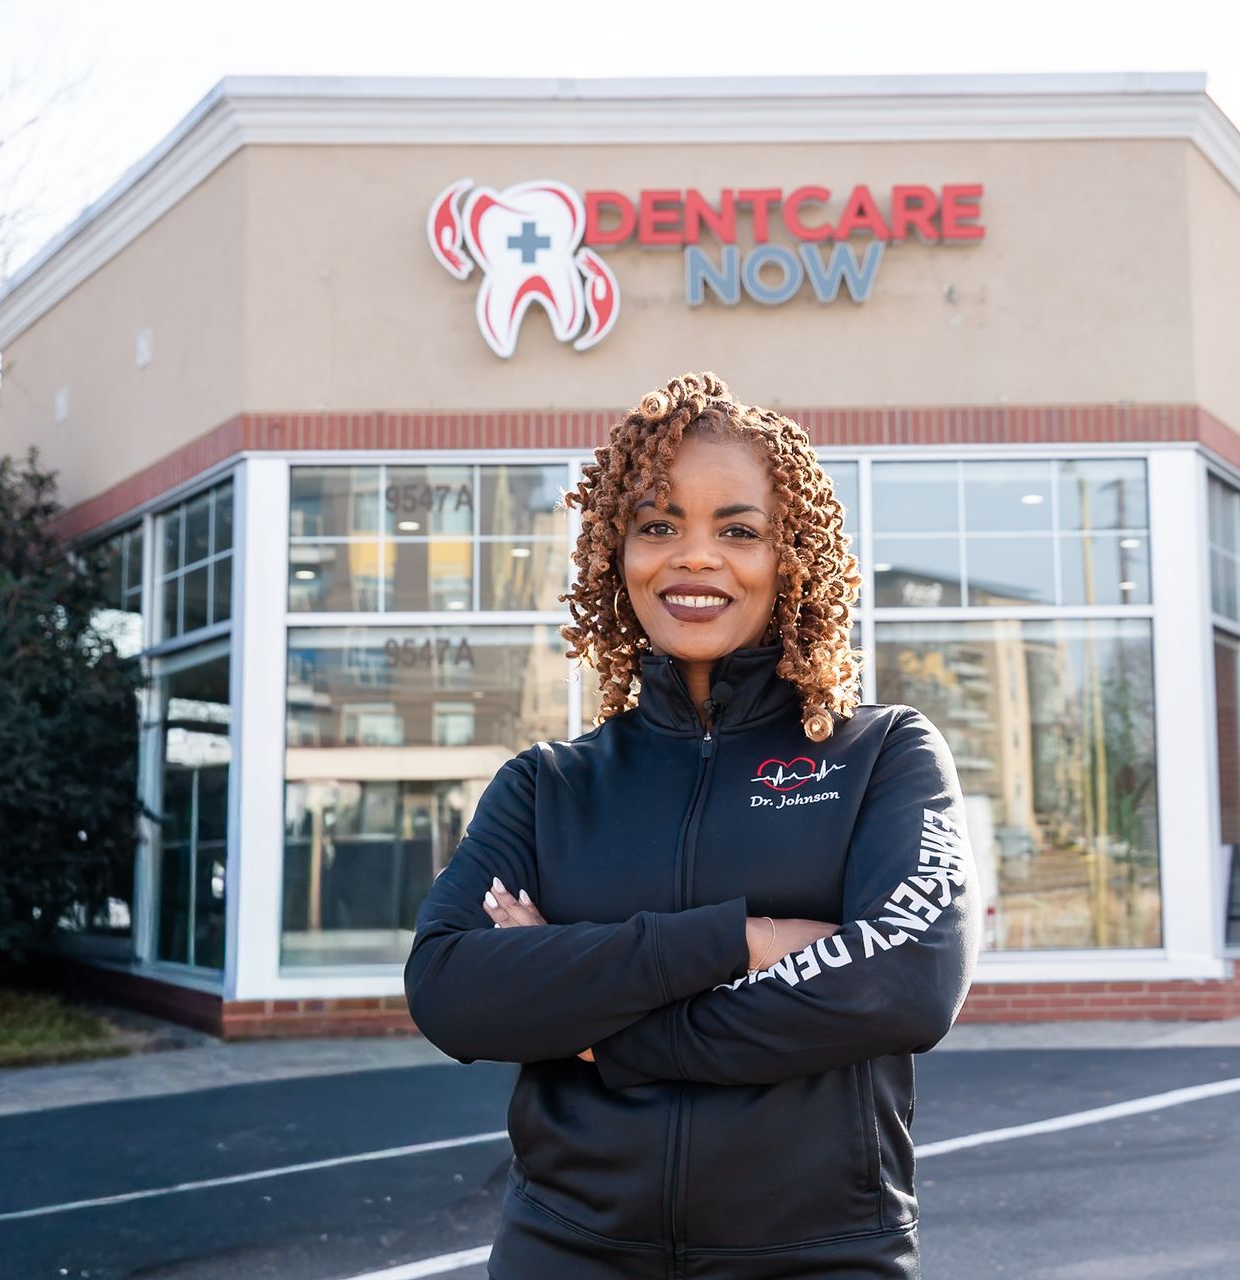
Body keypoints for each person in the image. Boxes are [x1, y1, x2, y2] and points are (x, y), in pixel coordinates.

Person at [405, 371, 981, 1279]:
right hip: (566, 1251)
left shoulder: (882, 755)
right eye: (659, 525)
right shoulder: (549, 786)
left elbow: (906, 982)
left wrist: (601, 1027)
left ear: (790, 557)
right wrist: (744, 938)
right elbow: (449, 986)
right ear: (616, 554)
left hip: (818, 1258)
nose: (695, 557)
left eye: (739, 530)